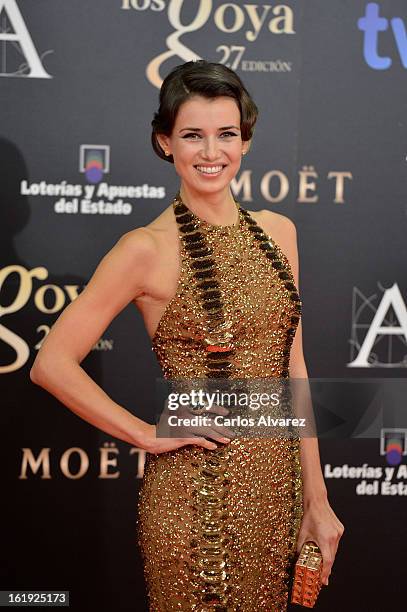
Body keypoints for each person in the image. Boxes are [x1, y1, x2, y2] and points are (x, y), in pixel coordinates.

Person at [30, 60, 344, 611]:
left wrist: (317, 500)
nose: (210, 152)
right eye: (192, 135)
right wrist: (144, 433)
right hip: (194, 502)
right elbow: (50, 362)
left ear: (244, 140)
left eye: (226, 134)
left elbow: (292, 371)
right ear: (164, 142)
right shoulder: (145, 249)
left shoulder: (280, 233)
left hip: (277, 496)